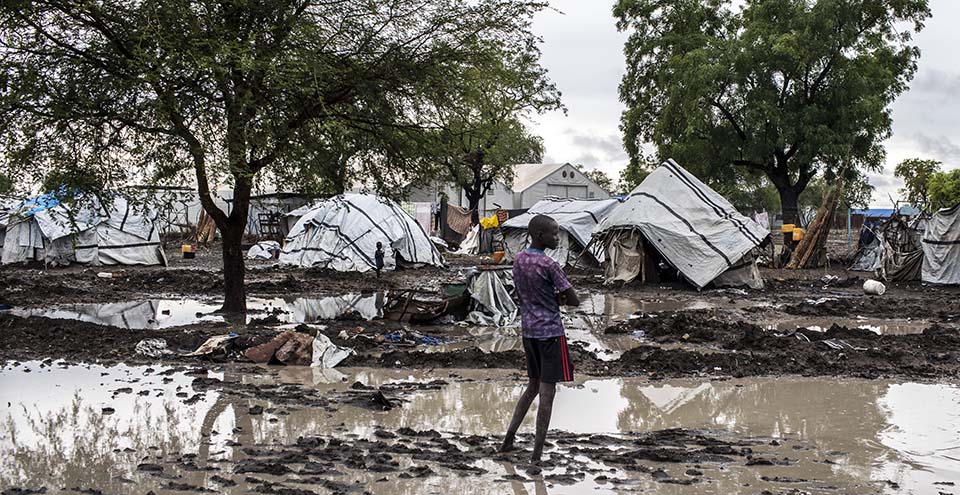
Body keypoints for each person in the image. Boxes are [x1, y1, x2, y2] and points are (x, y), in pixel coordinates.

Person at [500, 214, 579, 463]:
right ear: (540, 236)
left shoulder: (519, 260)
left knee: (532, 387)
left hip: (528, 332)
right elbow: (573, 299)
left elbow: (528, 295)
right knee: (547, 393)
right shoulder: (550, 265)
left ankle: (508, 440)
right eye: (554, 234)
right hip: (551, 334)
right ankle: (536, 454)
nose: (557, 237)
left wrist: (552, 297)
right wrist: (560, 298)